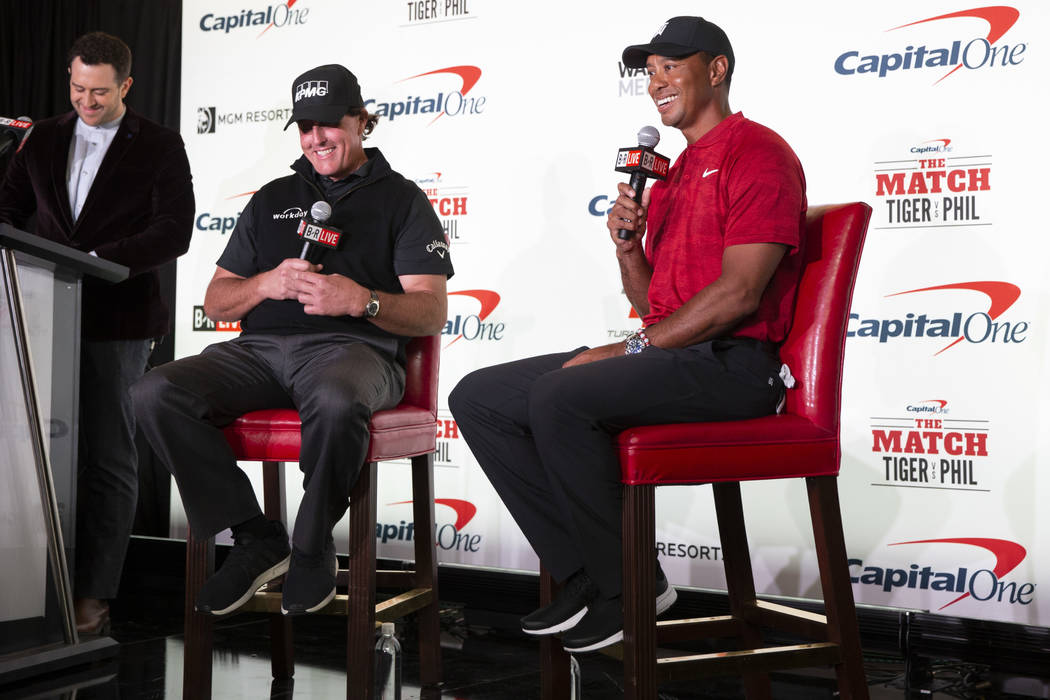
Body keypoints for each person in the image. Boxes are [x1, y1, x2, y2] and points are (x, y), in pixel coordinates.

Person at [448, 16, 807, 653]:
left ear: (716, 69)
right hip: (681, 356)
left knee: (561, 394)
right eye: (650, 73)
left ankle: (632, 588)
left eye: (672, 67)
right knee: (480, 396)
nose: (657, 83)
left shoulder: (759, 152)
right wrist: (628, 248)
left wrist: (630, 348)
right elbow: (652, 305)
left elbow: (739, 295)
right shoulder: (670, 176)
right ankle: (590, 573)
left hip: (736, 367)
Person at [132, 64, 453, 617]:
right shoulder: (272, 197)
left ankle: (310, 547)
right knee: (152, 393)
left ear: (359, 120)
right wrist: (264, 283)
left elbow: (432, 309)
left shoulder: (402, 200)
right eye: (305, 127)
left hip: (353, 352)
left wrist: (362, 301)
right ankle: (256, 536)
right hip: (259, 354)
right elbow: (217, 300)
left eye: (327, 125)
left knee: (335, 399)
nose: (315, 139)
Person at [0, 31, 194, 635]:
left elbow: (174, 232)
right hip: (41, 313)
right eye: (78, 88)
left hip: (120, 320)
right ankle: (32, 586)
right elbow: (8, 210)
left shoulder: (160, 145)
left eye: (100, 92)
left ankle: (94, 593)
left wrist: (93, 257)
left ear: (126, 87)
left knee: (109, 456)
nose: (87, 101)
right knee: (36, 456)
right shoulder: (43, 138)